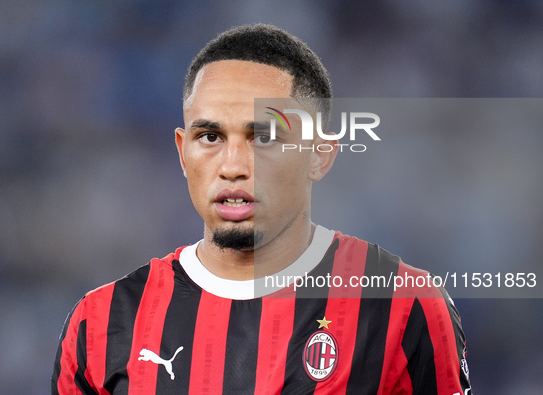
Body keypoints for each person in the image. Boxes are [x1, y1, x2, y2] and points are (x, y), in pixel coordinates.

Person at [52, 24, 472, 394]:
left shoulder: (403, 305)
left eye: (265, 138)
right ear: (182, 153)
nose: (233, 166)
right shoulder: (101, 323)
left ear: (319, 155)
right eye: (211, 137)